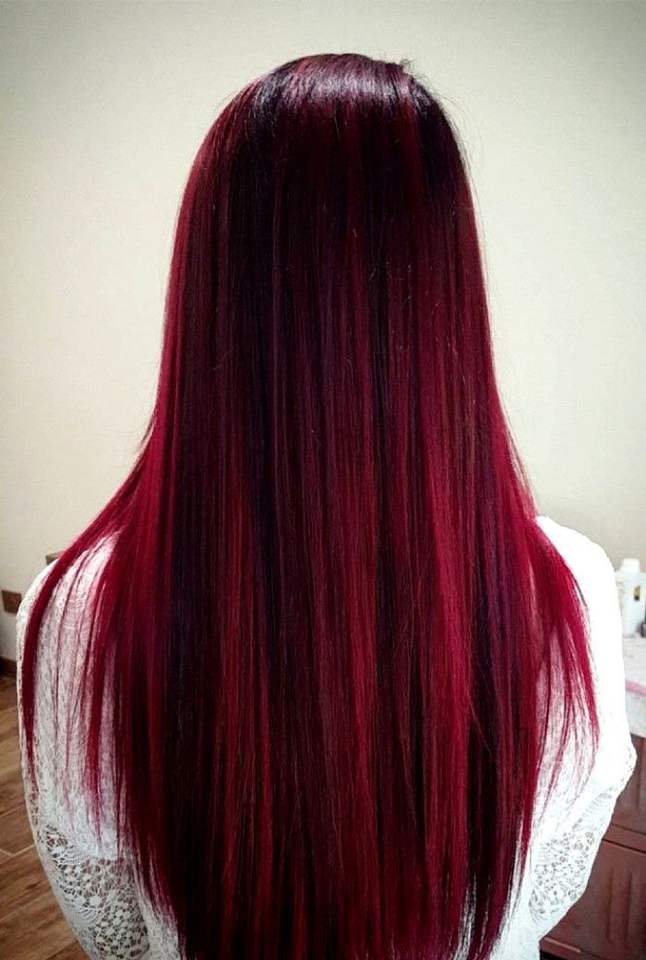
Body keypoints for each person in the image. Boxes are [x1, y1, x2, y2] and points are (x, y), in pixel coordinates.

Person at [16, 52, 636, 960]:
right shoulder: (568, 590)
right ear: (449, 293)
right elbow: (542, 899)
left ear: (207, 286)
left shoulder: (80, 606)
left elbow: (111, 931)